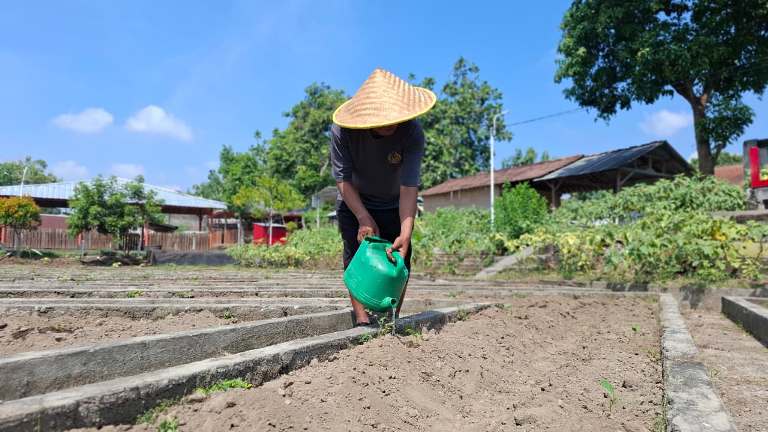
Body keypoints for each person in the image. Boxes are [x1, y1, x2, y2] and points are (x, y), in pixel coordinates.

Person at [330, 68, 436, 326]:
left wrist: (406, 232)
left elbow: (409, 187)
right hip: (354, 199)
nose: (391, 124)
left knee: (399, 260)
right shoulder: (342, 132)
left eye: (395, 117)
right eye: (384, 118)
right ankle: (362, 319)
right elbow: (342, 179)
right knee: (356, 254)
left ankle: (391, 319)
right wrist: (363, 216)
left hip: (394, 202)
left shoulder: (411, 132)